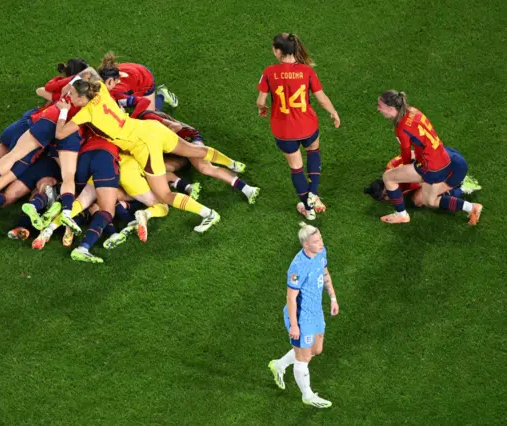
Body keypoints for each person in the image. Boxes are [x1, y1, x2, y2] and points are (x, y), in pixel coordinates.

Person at [55, 78, 246, 235]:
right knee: (192, 150)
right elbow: (88, 70)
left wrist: (63, 109)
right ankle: (232, 164)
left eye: (72, 94)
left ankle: (208, 213)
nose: (69, 97)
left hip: (144, 146)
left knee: (164, 195)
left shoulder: (86, 113)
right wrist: (72, 81)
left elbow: (60, 134)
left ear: (82, 97)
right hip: (151, 129)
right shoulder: (100, 91)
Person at [257, 33, 340, 220]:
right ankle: (314, 194)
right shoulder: (307, 71)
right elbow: (321, 98)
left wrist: (262, 109)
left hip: (284, 131)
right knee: (313, 151)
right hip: (308, 126)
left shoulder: (269, 72)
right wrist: (333, 112)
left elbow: (261, 100)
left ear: (278, 51)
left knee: (296, 168)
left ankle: (307, 208)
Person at [376, 90, 483, 225]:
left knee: (389, 177)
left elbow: (406, 154)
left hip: (431, 166)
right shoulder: (412, 111)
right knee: (429, 201)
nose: (379, 109)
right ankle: (472, 207)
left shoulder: (401, 128)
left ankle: (401, 215)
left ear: (391, 108)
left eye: (380, 106)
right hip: (442, 157)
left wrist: (407, 172)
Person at [268, 222, 338, 409]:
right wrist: (294, 325)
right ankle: (307, 395)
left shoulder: (321, 252)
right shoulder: (297, 267)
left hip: (316, 311)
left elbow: (324, 272)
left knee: (316, 350)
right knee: (303, 358)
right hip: (300, 317)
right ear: (305, 245)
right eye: (315, 241)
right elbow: (291, 298)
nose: (320, 243)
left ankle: (279, 364)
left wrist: (332, 297)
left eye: (320, 239)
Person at [364, 151, 482, 205]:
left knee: (422, 200)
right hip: (433, 169)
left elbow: (412, 154)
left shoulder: (395, 172)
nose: (389, 198)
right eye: (385, 198)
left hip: (438, 166)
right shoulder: (394, 182)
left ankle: (465, 186)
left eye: (386, 194)